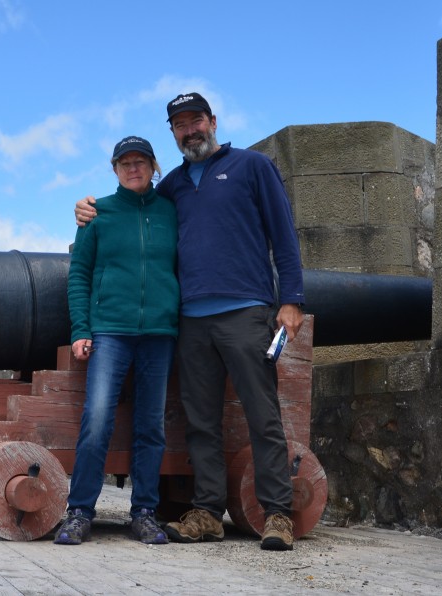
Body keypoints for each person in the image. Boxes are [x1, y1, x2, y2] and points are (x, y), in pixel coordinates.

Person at [74, 93, 304, 551]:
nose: (190, 130)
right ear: (173, 134)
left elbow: (283, 231)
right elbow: (134, 213)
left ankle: (277, 514)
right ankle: (208, 510)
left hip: (245, 309)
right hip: (191, 320)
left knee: (262, 415)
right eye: (180, 124)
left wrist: (292, 298)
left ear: (212, 121)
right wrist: (88, 210)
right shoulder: (173, 186)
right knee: (201, 421)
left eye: (196, 120)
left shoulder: (251, 166)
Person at [54, 135, 180, 546]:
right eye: (124, 163)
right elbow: (79, 274)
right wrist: (80, 329)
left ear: (153, 166)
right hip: (110, 330)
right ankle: (79, 511)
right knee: (97, 420)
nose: (133, 168)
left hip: (159, 333)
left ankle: (143, 511)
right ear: (114, 170)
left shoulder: (171, 212)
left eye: (140, 161)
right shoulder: (98, 215)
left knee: (150, 426)